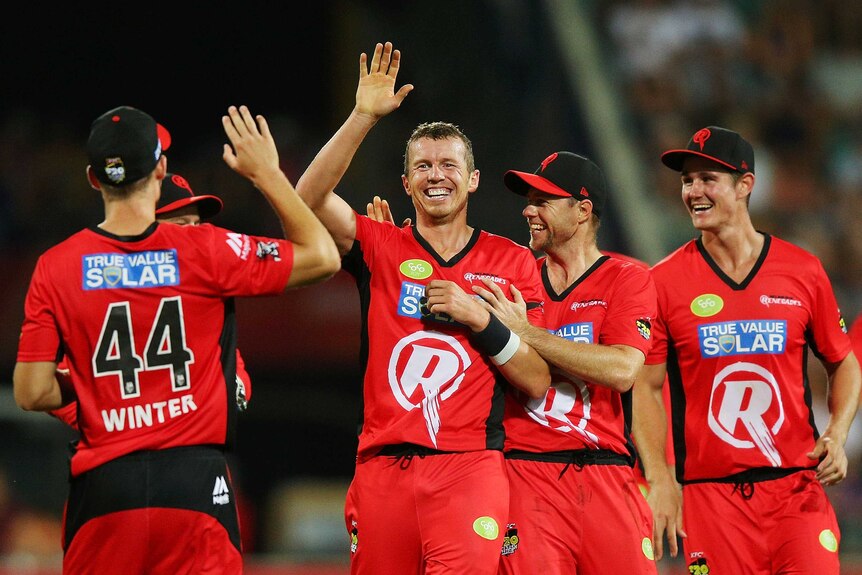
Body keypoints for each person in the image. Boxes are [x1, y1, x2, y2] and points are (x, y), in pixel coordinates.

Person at [13, 104, 341, 573]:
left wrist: (91, 384)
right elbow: (323, 256)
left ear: (92, 178)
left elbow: (31, 391)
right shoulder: (202, 248)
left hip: (103, 487)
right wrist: (268, 173)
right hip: (193, 483)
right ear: (161, 167)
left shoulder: (56, 264)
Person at [295, 42, 550, 574]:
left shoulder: (515, 262)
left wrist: (480, 319)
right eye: (424, 166)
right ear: (406, 181)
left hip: (469, 470)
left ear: (473, 180)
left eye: (450, 165)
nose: (437, 175)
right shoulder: (380, 246)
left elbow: (537, 379)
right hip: (382, 469)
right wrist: (363, 117)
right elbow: (306, 199)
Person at [635, 125, 861, 574]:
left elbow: (843, 361)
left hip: (795, 491)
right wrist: (661, 478)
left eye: (707, 179)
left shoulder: (802, 270)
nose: (694, 191)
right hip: (710, 498)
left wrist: (837, 431)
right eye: (686, 181)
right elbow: (646, 386)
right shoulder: (661, 282)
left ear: (745, 185)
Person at [468, 152, 659, 574]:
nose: (528, 210)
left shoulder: (628, 278)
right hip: (527, 474)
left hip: (608, 475)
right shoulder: (514, 279)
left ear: (583, 210)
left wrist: (528, 333)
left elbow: (623, 370)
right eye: (529, 200)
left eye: (543, 201)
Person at [49, 173, 253, 430]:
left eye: (197, 225)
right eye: (180, 224)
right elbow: (48, 384)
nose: (195, 235)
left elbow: (238, 384)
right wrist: (108, 424)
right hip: (122, 453)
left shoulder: (207, 296)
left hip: (190, 450)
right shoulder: (97, 290)